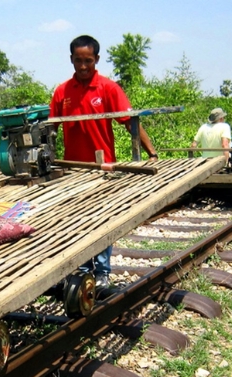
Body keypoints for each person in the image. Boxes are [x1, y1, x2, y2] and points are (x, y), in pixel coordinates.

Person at [49, 35, 158, 292]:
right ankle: (83, 269)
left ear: (96, 59)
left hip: (103, 169)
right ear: (71, 60)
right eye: (78, 60)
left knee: (102, 220)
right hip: (73, 170)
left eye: (88, 60)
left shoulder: (108, 89)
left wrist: (151, 153)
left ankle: (102, 271)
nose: (83, 66)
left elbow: (131, 122)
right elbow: (50, 130)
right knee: (77, 220)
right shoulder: (62, 92)